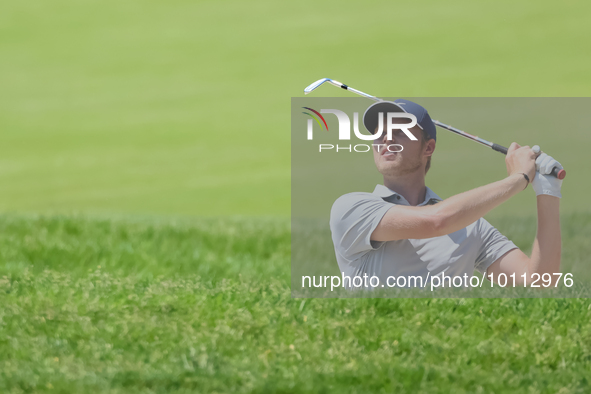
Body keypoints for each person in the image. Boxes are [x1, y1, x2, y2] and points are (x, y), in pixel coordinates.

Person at [329, 99, 564, 289]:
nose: (386, 139)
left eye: (399, 130)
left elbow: (539, 281)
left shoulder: (471, 224)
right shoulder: (351, 208)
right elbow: (436, 221)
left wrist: (548, 190)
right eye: (380, 132)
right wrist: (518, 179)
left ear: (428, 148)